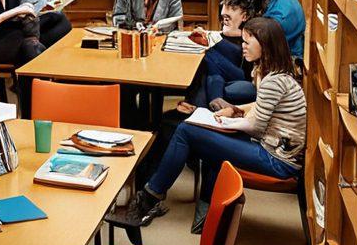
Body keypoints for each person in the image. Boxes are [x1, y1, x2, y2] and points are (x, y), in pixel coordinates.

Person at [123, 16, 306, 233]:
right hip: (272, 146)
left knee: (185, 131)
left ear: (265, 45)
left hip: (276, 159)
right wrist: (233, 110)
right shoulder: (273, 72)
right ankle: (200, 215)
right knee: (202, 139)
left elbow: (256, 127)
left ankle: (147, 200)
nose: (243, 47)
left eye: (248, 43)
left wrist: (225, 122)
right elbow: (259, 106)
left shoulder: (273, 81)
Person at [177, 0, 257, 112]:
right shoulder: (218, 35)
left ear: (244, 16)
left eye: (233, 8)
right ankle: (211, 102)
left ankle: (196, 107)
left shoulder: (248, 38)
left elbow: (239, 56)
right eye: (226, 6)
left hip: (239, 76)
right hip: (216, 78)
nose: (225, 13)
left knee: (206, 53)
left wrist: (209, 41)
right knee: (208, 72)